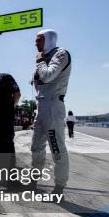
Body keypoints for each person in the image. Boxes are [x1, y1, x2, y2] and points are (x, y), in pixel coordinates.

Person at [30, 29, 72, 195]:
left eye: (39, 40)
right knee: (36, 147)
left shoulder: (61, 54)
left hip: (53, 107)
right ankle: (33, 181)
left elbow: (47, 76)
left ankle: (59, 187)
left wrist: (39, 62)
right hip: (41, 106)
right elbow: (39, 85)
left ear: (49, 40)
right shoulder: (45, 58)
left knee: (56, 148)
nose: (35, 43)